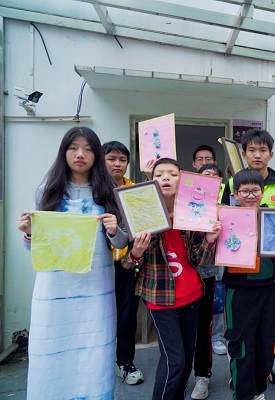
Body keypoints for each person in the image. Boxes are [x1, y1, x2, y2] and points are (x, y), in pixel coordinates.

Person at [17, 127, 128, 399]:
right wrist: (29, 233)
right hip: (55, 288)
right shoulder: (48, 191)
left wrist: (115, 231)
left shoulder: (108, 191)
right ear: (64, 152)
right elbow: (36, 246)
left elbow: (122, 242)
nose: (81, 154)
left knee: (95, 349)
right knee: (52, 348)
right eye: (74, 148)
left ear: (96, 155)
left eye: (88, 149)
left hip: (96, 288)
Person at [122, 158, 221, 400]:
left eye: (173, 174)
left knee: (186, 356)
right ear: (151, 180)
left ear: (182, 179)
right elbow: (127, 264)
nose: (166, 178)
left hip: (193, 296)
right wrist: (136, 252)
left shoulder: (192, 213)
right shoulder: (142, 213)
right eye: (159, 174)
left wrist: (209, 241)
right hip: (160, 299)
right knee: (174, 360)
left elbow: (200, 260)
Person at [222, 129, 275, 385]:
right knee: (239, 327)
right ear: (244, 153)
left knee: (268, 322)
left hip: (269, 264)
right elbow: (223, 216)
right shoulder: (232, 182)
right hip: (238, 269)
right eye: (251, 150)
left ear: (270, 154)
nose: (257, 155)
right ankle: (238, 372)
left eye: (262, 150)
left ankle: (272, 366)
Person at [222, 169, 275, 400]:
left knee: (267, 346)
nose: (250, 195)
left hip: (267, 290)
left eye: (255, 190)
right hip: (239, 292)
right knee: (242, 348)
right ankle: (243, 395)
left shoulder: (273, 217)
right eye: (244, 191)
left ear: (263, 192)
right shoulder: (225, 218)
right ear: (235, 194)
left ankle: (258, 391)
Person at [102, 140, 145, 385]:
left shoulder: (135, 190)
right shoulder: (93, 190)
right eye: (111, 159)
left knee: (127, 315)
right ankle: (98, 361)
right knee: (99, 315)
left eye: (122, 159)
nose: (117, 164)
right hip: (98, 266)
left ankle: (125, 363)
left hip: (128, 263)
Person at [191, 163, 226, 400]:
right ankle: (178, 373)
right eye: (206, 175)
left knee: (204, 326)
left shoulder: (224, 208)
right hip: (179, 275)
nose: (211, 179)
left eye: (215, 176)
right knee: (183, 331)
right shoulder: (184, 203)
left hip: (206, 274)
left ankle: (202, 375)